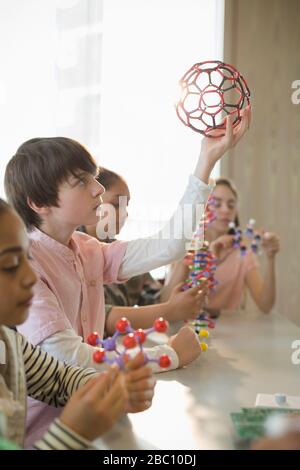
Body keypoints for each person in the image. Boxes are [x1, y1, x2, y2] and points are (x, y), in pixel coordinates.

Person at [4, 107, 251, 445]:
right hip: (46, 434)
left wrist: (205, 161)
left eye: (93, 177)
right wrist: (170, 355)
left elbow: (169, 246)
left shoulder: (86, 248)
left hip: (97, 420)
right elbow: (70, 360)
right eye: (81, 181)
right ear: (38, 203)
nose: (97, 190)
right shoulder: (28, 265)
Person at [0, 199, 155, 449]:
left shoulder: (7, 342)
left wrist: (112, 388)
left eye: (27, 259)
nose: (30, 276)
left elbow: (58, 379)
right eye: (9, 265)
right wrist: (72, 431)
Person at [79, 167, 209, 332]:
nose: (124, 213)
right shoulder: (73, 251)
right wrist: (171, 310)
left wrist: (184, 262)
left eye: (126, 206)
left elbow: (159, 301)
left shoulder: (121, 253)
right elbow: (99, 318)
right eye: (116, 204)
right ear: (93, 198)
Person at [167, 177, 280, 315]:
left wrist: (270, 258)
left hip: (230, 333)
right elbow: (166, 302)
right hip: (186, 331)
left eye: (231, 205)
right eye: (217, 204)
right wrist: (191, 253)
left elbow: (265, 305)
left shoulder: (242, 252)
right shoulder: (187, 246)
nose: (226, 210)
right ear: (204, 209)